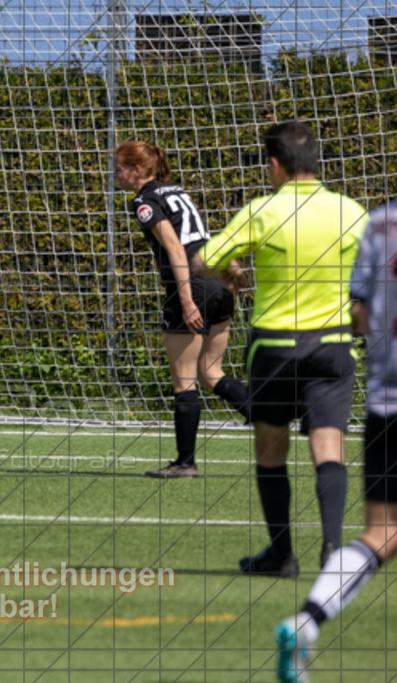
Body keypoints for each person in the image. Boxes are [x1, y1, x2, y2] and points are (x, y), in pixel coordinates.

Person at [195, 121, 367, 577]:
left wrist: (227, 269)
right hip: (332, 343)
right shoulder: (351, 212)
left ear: (274, 164)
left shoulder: (264, 211)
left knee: (271, 448)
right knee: (329, 446)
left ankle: (282, 555)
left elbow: (205, 259)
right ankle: (334, 549)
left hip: (274, 346)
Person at [270, 201, 397, 682]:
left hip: (386, 401)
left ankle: (305, 622)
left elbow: (358, 313)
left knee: (382, 533)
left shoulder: (381, 223)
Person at [114, 141, 249, 479]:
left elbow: (176, 248)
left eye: (119, 168)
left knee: (184, 380)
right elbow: (203, 237)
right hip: (218, 284)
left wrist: (186, 301)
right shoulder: (177, 192)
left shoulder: (145, 201)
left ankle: (185, 464)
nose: (115, 175)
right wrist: (233, 270)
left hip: (192, 286)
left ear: (138, 169)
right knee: (211, 373)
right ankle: (268, 415)